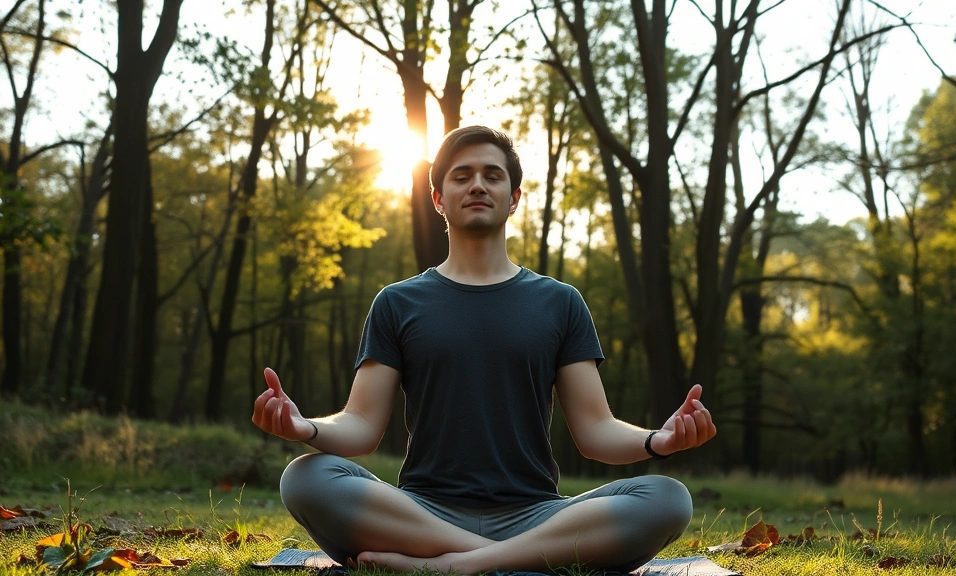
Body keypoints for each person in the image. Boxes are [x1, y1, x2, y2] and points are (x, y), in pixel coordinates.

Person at [251, 126, 716, 575]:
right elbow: (361, 426)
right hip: (419, 515)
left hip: (536, 515)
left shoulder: (561, 303)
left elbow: (596, 431)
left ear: (513, 198)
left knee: (668, 498)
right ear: (438, 199)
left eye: (493, 175)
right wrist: (305, 426)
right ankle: (512, 558)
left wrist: (659, 440)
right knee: (305, 477)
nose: (478, 184)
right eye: (462, 175)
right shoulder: (397, 302)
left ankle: (458, 565)